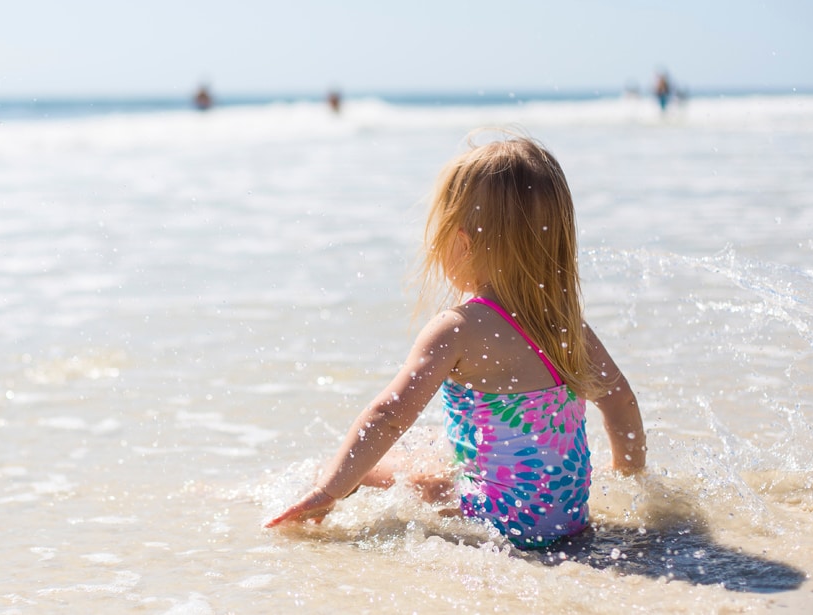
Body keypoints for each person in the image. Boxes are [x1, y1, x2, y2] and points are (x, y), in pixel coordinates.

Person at [265, 131, 647, 549]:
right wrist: (629, 479)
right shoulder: (568, 325)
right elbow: (620, 400)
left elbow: (388, 416)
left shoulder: (457, 328)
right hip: (567, 521)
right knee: (431, 442)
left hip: (496, 523)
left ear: (461, 242)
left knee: (368, 469)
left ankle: (297, 496)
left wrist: (330, 490)